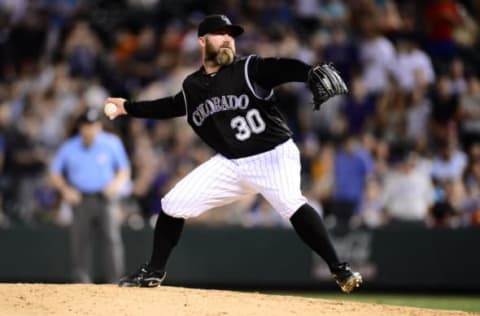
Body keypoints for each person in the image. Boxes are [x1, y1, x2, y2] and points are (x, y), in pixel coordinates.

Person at [104, 15, 362, 293]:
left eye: (231, 34)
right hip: (232, 164)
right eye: (219, 34)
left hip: (273, 155)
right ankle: (153, 271)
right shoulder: (193, 87)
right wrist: (127, 107)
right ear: (202, 41)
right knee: (172, 204)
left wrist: (307, 72)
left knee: (290, 202)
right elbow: (168, 107)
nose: (228, 38)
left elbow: (279, 68)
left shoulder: (248, 69)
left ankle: (340, 269)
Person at [49, 108, 130, 283]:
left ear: (99, 127)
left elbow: (124, 169)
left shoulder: (111, 143)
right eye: (86, 126)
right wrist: (66, 190)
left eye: (93, 125)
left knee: (112, 239)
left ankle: (115, 281)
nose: (90, 129)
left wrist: (115, 185)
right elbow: (54, 174)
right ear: (80, 127)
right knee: (80, 242)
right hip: (80, 198)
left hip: (105, 198)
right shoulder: (69, 147)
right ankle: (81, 282)